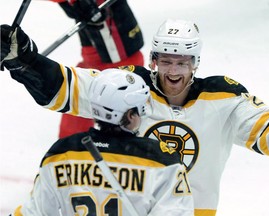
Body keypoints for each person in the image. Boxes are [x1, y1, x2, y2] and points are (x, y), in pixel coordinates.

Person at [1, 18, 269, 216]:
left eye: (181, 63)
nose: (173, 71)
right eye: (165, 61)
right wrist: (26, 60)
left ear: (195, 63)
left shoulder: (224, 98)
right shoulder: (129, 87)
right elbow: (71, 87)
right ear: (153, 60)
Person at [9, 69, 194, 216]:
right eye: (139, 109)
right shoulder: (162, 161)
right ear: (130, 115)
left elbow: (34, 213)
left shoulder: (62, 154)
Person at [49, 0, 145, 138]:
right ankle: (74, 148)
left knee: (120, 82)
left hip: (116, 34)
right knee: (90, 85)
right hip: (102, 40)